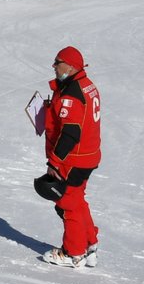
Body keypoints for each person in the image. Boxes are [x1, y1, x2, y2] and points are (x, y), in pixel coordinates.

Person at [36, 46, 102, 267]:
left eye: (58, 62)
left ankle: (73, 253)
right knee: (77, 199)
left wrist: (54, 162)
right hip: (88, 156)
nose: (54, 66)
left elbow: (71, 132)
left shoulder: (72, 95)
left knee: (67, 205)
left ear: (71, 66)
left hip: (73, 158)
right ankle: (90, 244)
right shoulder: (85, 85)